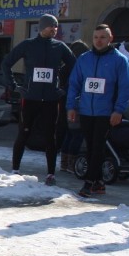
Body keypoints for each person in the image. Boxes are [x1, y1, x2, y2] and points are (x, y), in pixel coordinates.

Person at [2, 14, 76, 185]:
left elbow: (75, 66)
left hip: (50, 99)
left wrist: (63, 88)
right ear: (42, 27)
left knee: (51, 136)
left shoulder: (60, 47)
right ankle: (15, 169)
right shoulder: (28, 45)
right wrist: (14, 86)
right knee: (24, 133)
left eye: (56, 27)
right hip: (30, 98)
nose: (54, 29)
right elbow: (6, 63)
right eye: (51, 26)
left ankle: (51, 173)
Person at [66, 24, 129, 197]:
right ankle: (99, 183)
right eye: (96, 37)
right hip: (86, 111)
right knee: (90, 147)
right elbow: (74, 83)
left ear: (110, 38)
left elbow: (125, 87)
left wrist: (118, 110)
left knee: (97, 146)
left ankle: (88, 183)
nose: (99, 40)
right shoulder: (84, 59)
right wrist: (71, 106)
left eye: (103, 37)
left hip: (106, 112)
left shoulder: (119, 60)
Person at [59, 40, 89, 172]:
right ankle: (71, 164)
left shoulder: (64, 68)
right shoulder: (80, 68)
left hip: (67, 104)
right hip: (77, 104)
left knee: (70, 133)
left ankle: (64, 163)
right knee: (77, 134)